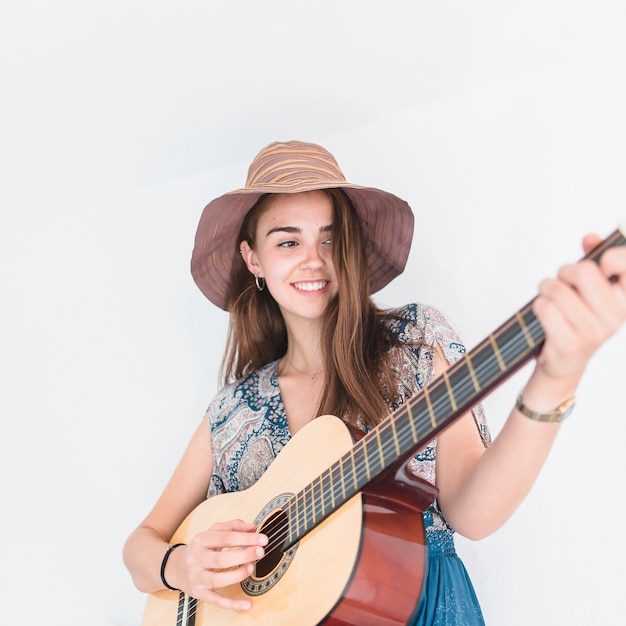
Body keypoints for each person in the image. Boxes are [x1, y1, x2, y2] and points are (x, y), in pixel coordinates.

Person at [123, 140, 626, 625]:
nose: (314, 259)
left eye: (330, 237)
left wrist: (556, 377)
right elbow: (141, 545)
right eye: (288, 241)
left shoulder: (414, 342)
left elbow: (473, 515)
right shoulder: (234, 410)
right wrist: (178, 566)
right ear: (253, 258)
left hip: (417, 603)